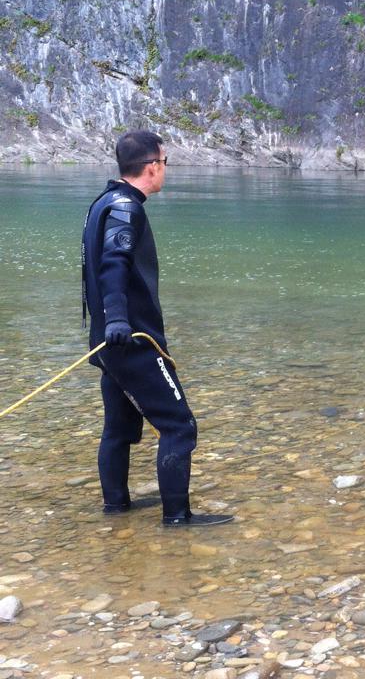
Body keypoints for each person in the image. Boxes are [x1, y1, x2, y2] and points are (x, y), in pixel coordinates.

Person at [81, 131, 233, 527]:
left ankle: (116, 508)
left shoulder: (103, 202)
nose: (166, 169)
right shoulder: (126, 209)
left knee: (119, 429)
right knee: (180, 427)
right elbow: (113, 264)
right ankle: (177, 518)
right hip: (131, 341)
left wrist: (110, 326)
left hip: (108, 344)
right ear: (152, 166)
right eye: (165, 162)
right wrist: (119, 318)